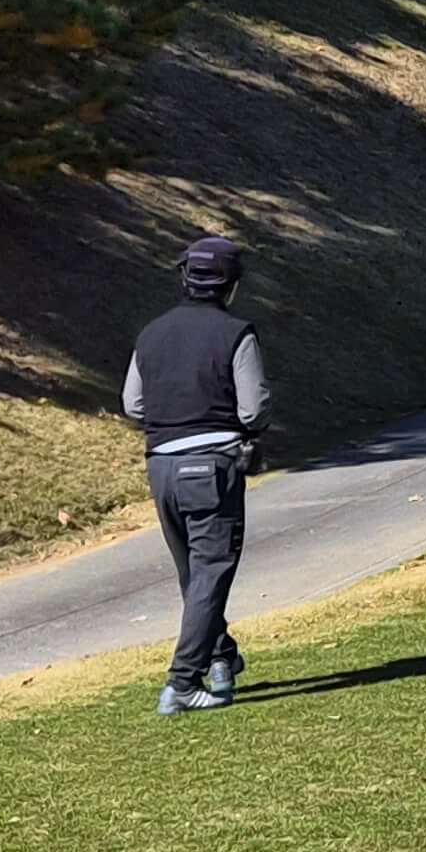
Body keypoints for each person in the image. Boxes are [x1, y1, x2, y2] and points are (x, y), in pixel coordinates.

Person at [123, 234, 268, 716]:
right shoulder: (236, 333)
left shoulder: (150, 334)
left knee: (194, 573)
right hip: (213, 467)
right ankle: (182, 683)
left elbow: (133, 404)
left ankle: (222, 660)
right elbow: (254, 407)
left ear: (184, 277)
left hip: (161, 466)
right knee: (211, 571)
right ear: (233, 286)